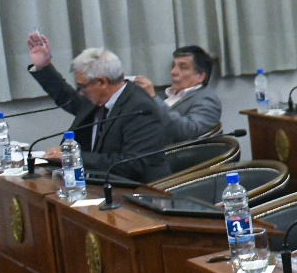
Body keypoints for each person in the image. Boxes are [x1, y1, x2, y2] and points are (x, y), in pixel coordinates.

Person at [23, 31, 172, 182]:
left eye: (82, 86)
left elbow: (132, 164)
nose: (81, 92)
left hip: (138, 187)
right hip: (98, 182)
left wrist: (75, 156)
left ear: (102, 82)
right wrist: (43, 67)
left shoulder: (140, 108)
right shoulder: (97, 98)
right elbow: (67, 97)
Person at [132, 45, 223, 144]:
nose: (173, 72)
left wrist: (153, 98)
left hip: (165, 151)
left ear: (200, 76)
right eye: (173, 66)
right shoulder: (163, 93)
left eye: (183, 67)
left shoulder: (207, 99)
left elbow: (187, 131)